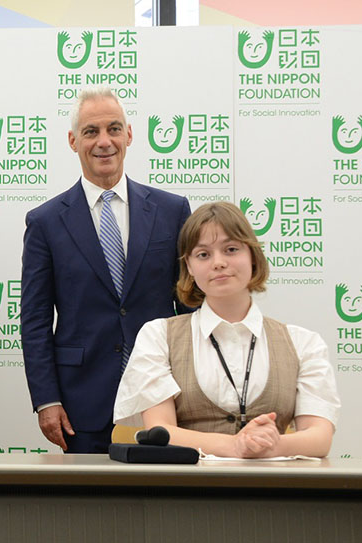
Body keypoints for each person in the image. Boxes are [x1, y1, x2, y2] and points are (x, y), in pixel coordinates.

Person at [21, 87, 191, 453]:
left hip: (164, 395)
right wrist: (47, 400)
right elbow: (34, 320)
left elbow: (190, 307)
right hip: (81, 403)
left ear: (129, 134)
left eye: (114, 129)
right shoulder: (45, 222)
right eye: (91, 132)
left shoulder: (172, 211)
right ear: (72, 140)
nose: (104, 142)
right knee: (89, 509)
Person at [114, 202, 339, 457]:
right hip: (185, 490)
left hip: (277, 490)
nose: (218, 263)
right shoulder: (158, 336)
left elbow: (319, 437)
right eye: (203, 255)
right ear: (188, 266)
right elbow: (161, 430)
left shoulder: (303, 343)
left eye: (231, 249)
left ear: (252, 256)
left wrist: (273, 445)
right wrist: (235, 446)